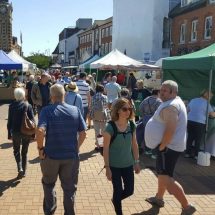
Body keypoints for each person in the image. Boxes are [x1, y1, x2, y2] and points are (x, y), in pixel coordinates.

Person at [144, 80, 196, 215]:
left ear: (174, 92)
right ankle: (159, 198)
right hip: (170, 146)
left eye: (165, 90)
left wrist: (162, 145)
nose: (161, 92)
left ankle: (187, 206)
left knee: (166, 178)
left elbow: (171, 129)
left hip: (168, 147)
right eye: (161, 90)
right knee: (163, 174)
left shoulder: (171, 106)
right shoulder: (174, 103)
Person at [36, 84, 87, 215]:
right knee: (69, 189)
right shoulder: (75, 110)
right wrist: (76, 148)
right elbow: (83, 133)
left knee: (48, 185)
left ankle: (50, 211)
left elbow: (40, 131)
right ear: (64, 95)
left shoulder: (46, 111)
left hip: (51, 156)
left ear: (51, 96)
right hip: (70, 157)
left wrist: (40, 149)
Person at [103, 98, 140, 215]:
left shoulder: (132, 125)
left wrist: (137, 161)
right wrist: (107, 168)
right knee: (118, 190)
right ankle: (119, 211)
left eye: (129, 108)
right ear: (118, 110)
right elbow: (105, 149)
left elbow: (134, 144)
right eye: (125, 109)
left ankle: (116, 200)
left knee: (129, 191)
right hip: (114, 165)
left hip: (128, 164)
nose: (128, 111)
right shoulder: (110, 127)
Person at [7, 87, 35, 178]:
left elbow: (9, 121)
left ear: (15, 96)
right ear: (23, 95)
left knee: (16, 151)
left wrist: (9, 134)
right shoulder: (28, 105)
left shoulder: (11, 106)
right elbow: (32, 121)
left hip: (15, 132)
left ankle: (19, 168)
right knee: (24, 152)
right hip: (26, 131)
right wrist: (33, 134)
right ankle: (24, 170)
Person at [185, 89, 215, 159]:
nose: (210, 98)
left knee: (190, 138)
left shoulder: (193, 100)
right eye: (210, 96)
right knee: (198, 140)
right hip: (200, 123)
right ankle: (196, 155)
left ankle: (187, 153)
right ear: (207, 96)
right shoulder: (206, 103)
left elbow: (187, 110)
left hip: (190, 121)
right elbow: (212, 115)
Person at [137, 89, 162, 157]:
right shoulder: (159, 101)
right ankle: (153, 153)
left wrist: (144, 115)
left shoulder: (146, 99)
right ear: (158, 93)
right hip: (154, 120)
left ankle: (147, 150)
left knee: (145, 134)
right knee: (154, 136)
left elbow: (140, 108)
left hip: (145, 119)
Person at [90, 84, 108, 150]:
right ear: (102, 90)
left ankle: (98, 145)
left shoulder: (93, 97)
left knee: (97, 131)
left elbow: (91, 106)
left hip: (95, 115)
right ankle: (102, 145)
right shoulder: (105, 97)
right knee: (103, 130)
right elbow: (106, 107)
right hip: (103, 116)